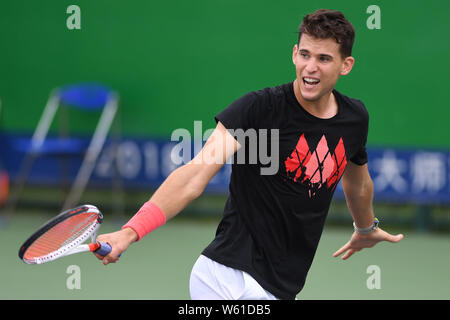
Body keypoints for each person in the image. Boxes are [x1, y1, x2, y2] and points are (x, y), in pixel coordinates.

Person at [94, 9, 404, 300]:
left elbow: (357, 183)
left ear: (345, 65)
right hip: (226, 277)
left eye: (324, 58)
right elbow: (193, 175)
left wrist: (365, 228)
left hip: (282, 286)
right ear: (294, 54)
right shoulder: (258, 110)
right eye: (305, 55)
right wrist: (130, 232)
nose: (310, 67)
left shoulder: (354, 118)